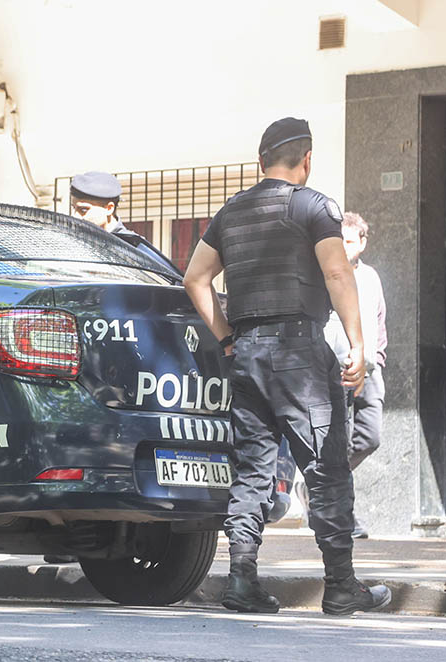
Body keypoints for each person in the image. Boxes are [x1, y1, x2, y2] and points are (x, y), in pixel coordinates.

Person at [181, 117, 391, 615]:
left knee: (253, 469)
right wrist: (357, 343)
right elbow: (337, 271)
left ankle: (241, 581)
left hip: (247, 353)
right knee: (327, 469)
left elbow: (195, 279)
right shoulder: (314, 206)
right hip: (300, 354)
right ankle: (341, 586)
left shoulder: (231, 212)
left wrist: (227, 338)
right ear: (307, 160)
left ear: (261, 162)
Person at [323, 212, 387, 539]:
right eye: (340, 241)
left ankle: (320, 483)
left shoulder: (371, 277)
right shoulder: (326, 273)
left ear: (362, 243)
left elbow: (379, 319)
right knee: (341, 439)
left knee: (371, 435)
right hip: (339, 367)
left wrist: (378, 358)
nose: (344, 247)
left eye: (349, 241)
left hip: (370, 370)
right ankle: (342, 515)